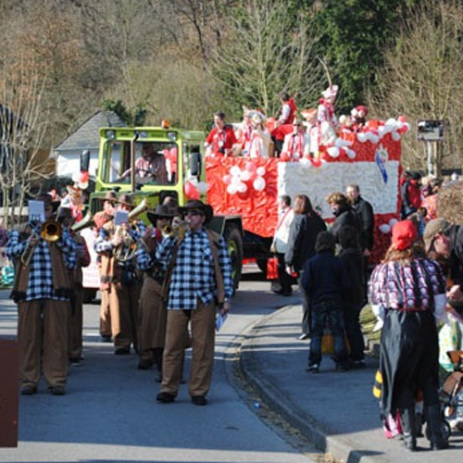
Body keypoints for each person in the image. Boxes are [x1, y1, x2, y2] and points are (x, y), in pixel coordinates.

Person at [369, 220, 448, 451]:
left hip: (396, 324)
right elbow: (440, 302)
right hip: (424, 323)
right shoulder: (431, 267)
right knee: (429, 378)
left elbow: (377, 306)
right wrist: (431, 320)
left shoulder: (382, 270)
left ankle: (410, 437)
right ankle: (435, 436)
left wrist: (389, 322)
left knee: (401, 378)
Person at [155, 199, 233, 405]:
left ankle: (198, 391)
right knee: (172, 345)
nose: (188, 218)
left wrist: (225, 298)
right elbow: (160, 257)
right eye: (186, 214)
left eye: (193, 214)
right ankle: (168, 388)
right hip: (178, 297)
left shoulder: (214, 239)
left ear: (203, 218)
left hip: (203, 298)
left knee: (203, 346)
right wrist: (171, 236)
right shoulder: (177, 237)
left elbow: (225, 271)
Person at [6, 194, 77, 395]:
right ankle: (29, 379)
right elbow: (10, 252)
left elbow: (72, 251)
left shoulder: (57, 229)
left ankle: (56, 380)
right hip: (29, 289)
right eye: (40, 209)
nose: (44, 213)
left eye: (47, 209)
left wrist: (57, 234)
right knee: (28, 337)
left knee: (57, 337)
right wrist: (28, 243)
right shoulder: (20, 231)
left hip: (56, 289)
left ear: (51, 211)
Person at [94, 194, 146, 355]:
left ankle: (140, 343)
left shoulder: (139, 225)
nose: (124, 210)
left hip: (135, 270)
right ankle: (122, 343)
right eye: (121, 207)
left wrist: (131, 232)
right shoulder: (108, 226)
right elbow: (97, 246)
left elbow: (144, 243)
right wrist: (113, 242)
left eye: (127, 207)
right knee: (118, 310)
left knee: (138, 310)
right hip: (117, 270)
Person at [301, 231, 350, 372]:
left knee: (317, 333)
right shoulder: (338, 262)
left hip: (318, 300)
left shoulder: (312, 263)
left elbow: (305, 283)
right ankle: (341, 361)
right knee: (338, 331)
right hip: (335, 299)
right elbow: (346, 283)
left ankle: (314, 362)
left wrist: (311, 294)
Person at [136, 204, 174, 376]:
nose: (164, 222)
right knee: (150, 323)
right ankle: (152, 357)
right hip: (152, 282)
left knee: (169, 326)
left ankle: (168, 366)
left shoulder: (177, 237)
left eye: (167, 219)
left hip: (171, 283)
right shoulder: (146, 238)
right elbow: (143, 263)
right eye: (161, 219)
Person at [285, 194, 327, 340]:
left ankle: (307, 328)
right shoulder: (318, 220)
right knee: (318, 297)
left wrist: (289, 262)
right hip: (319, 261)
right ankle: (319, 326)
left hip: (304, 264)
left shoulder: (298, 220)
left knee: (306, 298)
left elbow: (293, 242)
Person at [56, 207, 91, 366]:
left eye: (66, 219)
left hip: (74, 280)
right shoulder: (54, 235)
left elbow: (86, 261)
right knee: (59, 318)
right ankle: (60, 350)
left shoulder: (78, 238)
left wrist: (80, 255)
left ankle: (75, 351)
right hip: (58, 280)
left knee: (75, 318)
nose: (65, 222)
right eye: (62, 219)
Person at [338, 225, 365, 368]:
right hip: (358, 293)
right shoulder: (357, 254)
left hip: (348, 295)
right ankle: (358, 354)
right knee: (354, 325)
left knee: (349, 326)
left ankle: (354, 354)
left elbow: (345, 279)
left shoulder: (344, 257)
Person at [271, 195, 294, 296]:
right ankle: (283, 286)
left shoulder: (291, 214)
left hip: (285, 244)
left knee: (285, 266)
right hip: (280, 244)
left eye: (279, 203)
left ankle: (287, 288)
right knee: (280, 266)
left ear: (284, 203)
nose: (278, 204)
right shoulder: (281, 213)